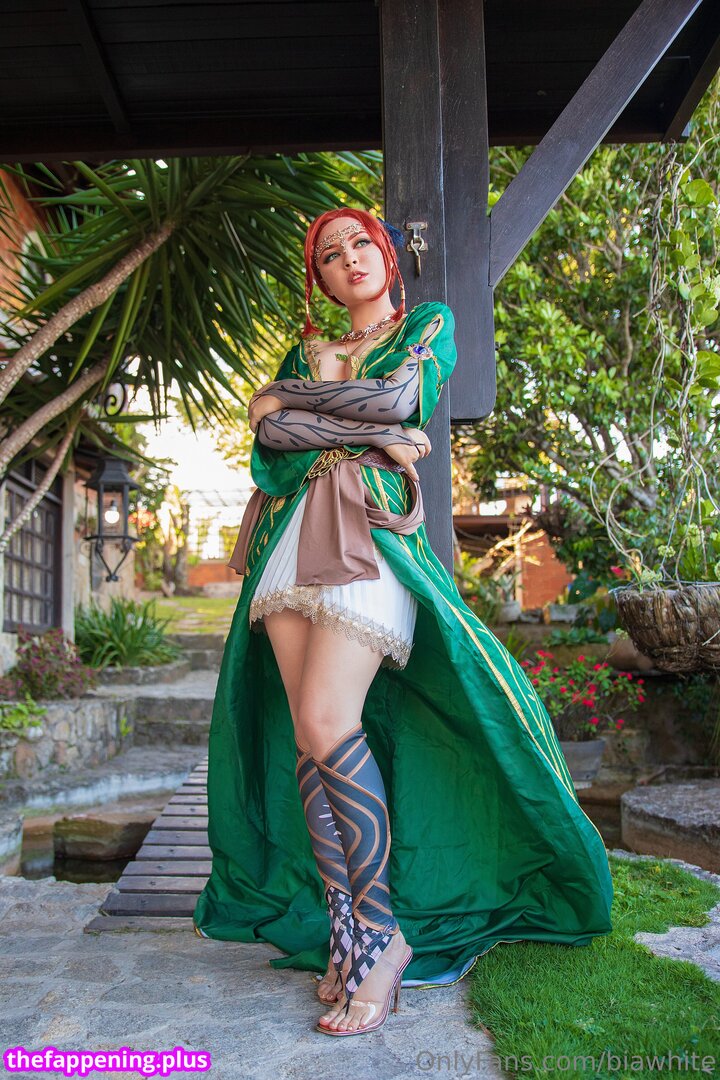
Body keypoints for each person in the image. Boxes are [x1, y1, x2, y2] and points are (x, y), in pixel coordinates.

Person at [193, 208, 614, 1037]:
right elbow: (270, 437)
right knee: (310, 742)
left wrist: (316, 403)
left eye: (360, 243)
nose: (348, 259)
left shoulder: (426, 325)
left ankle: (384, 938)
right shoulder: (303, 348)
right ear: (319, 279)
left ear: (385, 253)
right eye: (329, 254)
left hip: (371, 531)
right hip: (287, 538)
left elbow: (395, 396)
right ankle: (347, 932)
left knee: (328, 720)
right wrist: (376, 432)